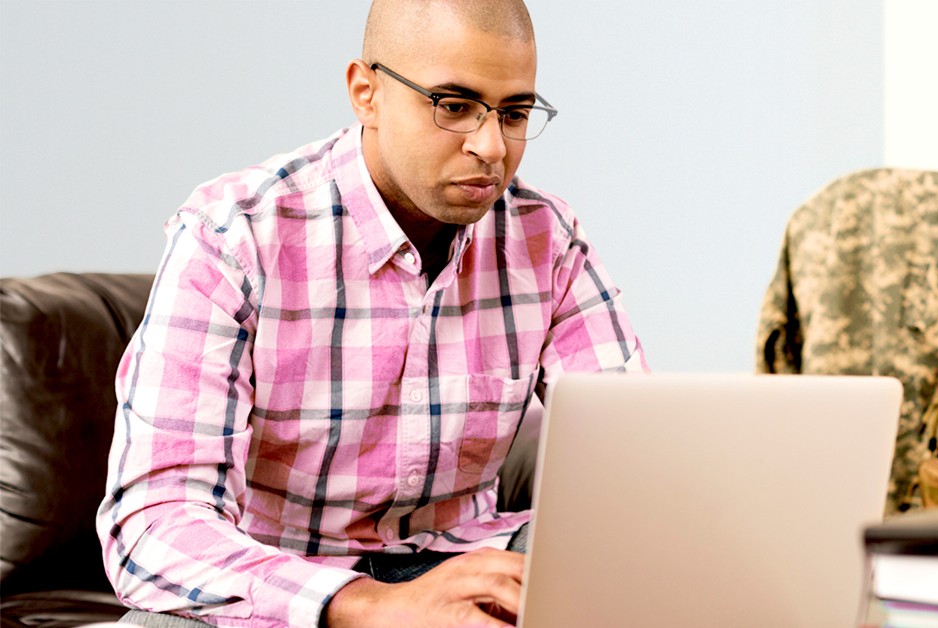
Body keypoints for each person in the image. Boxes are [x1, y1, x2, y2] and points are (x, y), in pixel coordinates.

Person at [95, 1, 647, 626]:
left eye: (514, 113)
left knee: (630, 569)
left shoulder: (546, 240)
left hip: (466, 568)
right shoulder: (234, 235)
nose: (492, 146)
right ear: (366, 92)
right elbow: (154, 521)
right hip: (283, 585)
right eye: (454, 105)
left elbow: (635, 467)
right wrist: (371, 606)